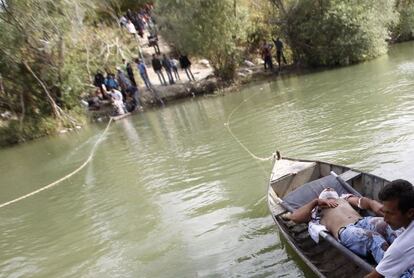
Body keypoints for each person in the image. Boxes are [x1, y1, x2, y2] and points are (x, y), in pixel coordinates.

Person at [287, 187, 401, 265]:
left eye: (331, 188)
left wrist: (372, 204)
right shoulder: (316, 210)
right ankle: (398, 273)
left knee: (387, 225)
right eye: (325, 189)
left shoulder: (344, 198)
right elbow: (295, 218)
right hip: (346, 230)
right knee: (374, 238)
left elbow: (363, 202)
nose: (328, 188)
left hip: (363, 221)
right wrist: (316, 202)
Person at [365, 180, 414, 278]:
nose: (385, 219)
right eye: (384, 212)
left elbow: (374, 277)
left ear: (410, 213)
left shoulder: (401, 247)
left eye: (390, 214)